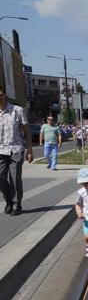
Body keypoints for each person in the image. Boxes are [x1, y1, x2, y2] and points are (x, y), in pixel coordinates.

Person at [0, 83, 33, 216]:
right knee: (0, 177)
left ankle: (16, 205)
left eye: (0, 94)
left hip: (16, 150)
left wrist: (29, 150)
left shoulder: (17, 110)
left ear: (4, 94)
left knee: (15, 179)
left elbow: (27, 132)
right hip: (0, 151)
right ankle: (8, 199)